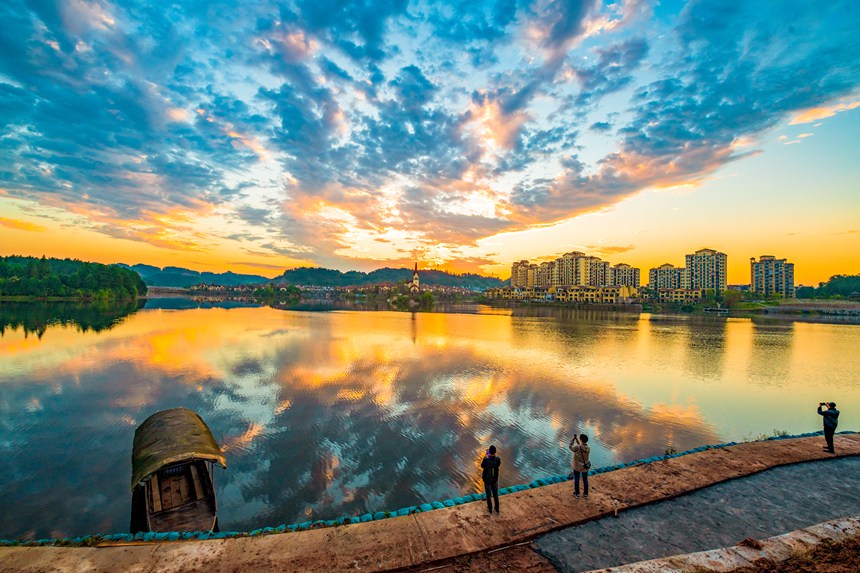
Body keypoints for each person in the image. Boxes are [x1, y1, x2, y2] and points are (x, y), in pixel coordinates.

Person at [481, 445, 501, 514]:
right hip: (495, 479)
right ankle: (497, 508)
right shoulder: (498, 459)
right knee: (495, 494)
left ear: (489, 452)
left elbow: (482, 466)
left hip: (487, 480)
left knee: (488, 495)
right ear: (495, 452)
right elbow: (498, 464)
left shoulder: (486, 460)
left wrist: (485, 457)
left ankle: (490, 509)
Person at [569, 434, 590, 498]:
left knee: (577, 479)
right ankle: (585, 494)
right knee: (585, 480)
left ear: (581, 439)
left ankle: (577, 494)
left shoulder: (577, 447)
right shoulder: (588, 448)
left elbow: (570, 447)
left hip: (577, 467)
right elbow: (581, 446)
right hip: (585, 467)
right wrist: (577, 439)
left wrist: (573, 439)